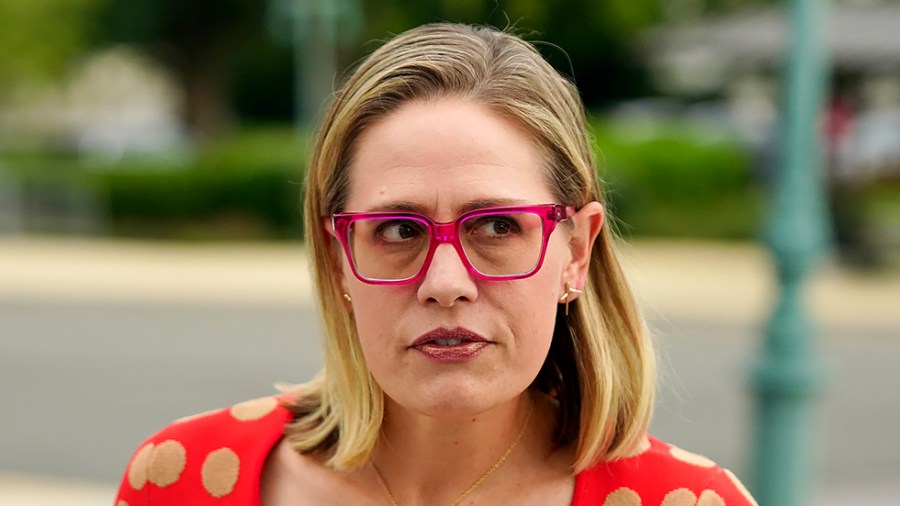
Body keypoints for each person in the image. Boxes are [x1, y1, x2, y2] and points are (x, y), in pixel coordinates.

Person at [114, 23, 757, 506]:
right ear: (340, 257)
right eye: (397, 229)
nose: (445, 284)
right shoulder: (182, 479)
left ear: (577, 252)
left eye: (498, 226)